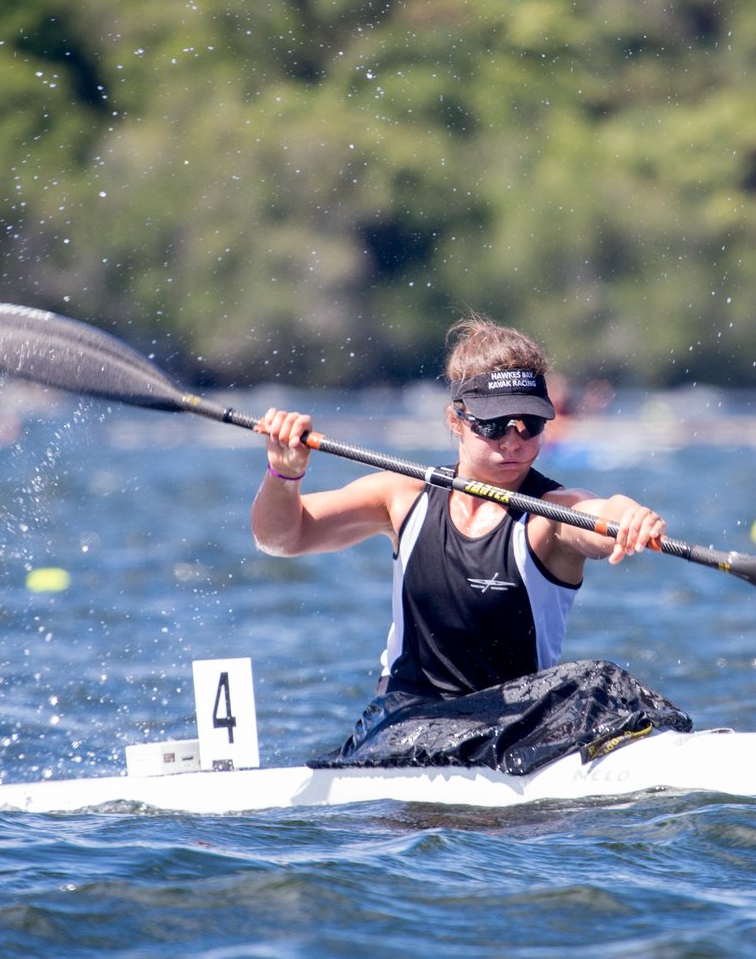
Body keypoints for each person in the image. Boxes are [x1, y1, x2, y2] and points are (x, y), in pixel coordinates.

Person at [250, 317, 692, 774]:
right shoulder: (401, 496)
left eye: (530, 424)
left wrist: (627, 515)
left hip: (512, 727)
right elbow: (281, 538)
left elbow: (597, 513)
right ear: (455, 420)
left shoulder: (550, 515)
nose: (514, 442)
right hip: (404, 724)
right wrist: (284, 473)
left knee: (602, 684)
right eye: (495, 425)